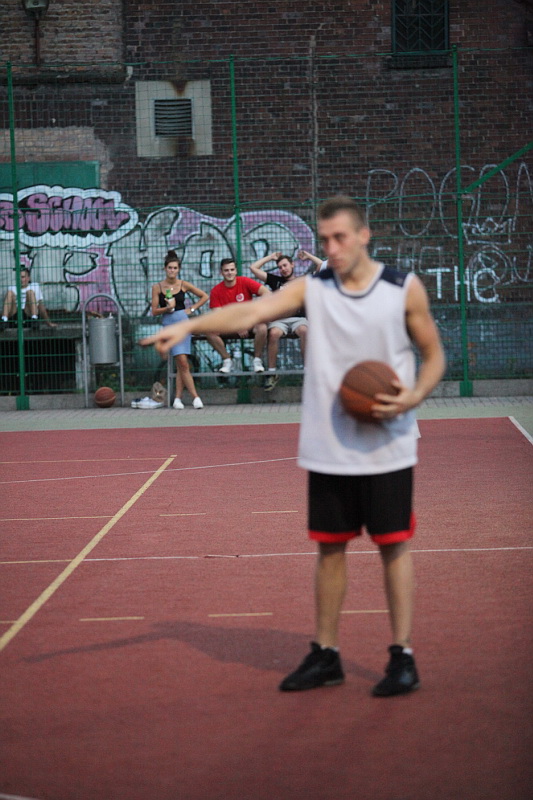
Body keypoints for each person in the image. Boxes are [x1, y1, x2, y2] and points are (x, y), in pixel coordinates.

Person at [140, 195, 446, 697]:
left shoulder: (400, 288)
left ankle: (402, 655)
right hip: (330, 441)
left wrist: (414, 396)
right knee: (330, 549)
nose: (332, 247)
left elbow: (433, 355)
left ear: (364, 235)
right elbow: (254, 311)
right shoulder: (313, 288)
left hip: (388, 442)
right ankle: (326, 654)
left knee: (393, 546)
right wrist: (190, 324)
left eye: (340, 237)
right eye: (324, 240)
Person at [148, 249, 208, 410]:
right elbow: (154, 311)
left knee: (182, 362)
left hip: (183, 324)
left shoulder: (183, 284)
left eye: (175, 268)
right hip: (169, 325)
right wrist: (166, 309)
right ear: (165, 268)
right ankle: (195, 397)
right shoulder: (157, 287)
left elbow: (204, 296)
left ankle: (178, 398)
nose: (172, 271)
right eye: (170, 268)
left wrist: (192, 309)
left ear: (179, 269)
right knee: (181, 361)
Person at [249, 251, 310, 391]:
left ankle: (307, 371)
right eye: (280, 267)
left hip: (298, 318)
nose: (283, 269)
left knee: (304, 331)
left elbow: (320, 266)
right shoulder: (275, 280)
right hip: (280, 320)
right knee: (273, 334)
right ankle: (272, 373)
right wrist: (270, 257)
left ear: (292, 265)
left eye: (285, 265)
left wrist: (308, 256)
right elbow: (253, 268)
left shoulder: (302, 280)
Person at [206, 258, 269, 374]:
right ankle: (227, 360)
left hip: (248, 322)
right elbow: (219, 316)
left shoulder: (245, 281)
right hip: (229, 325)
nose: (229, 273)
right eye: (226, 270)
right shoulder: (216, 291)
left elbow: (266, 293)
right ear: (221, 272)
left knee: (262, 328)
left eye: (232, 270)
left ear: (236, 271)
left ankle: (257, 360)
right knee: (210, 332)